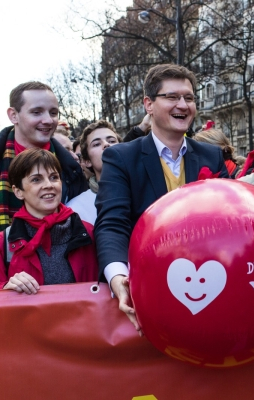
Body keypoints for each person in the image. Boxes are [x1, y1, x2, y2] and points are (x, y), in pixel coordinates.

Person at [95, 64, 228, 335]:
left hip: (209, 287)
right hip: (150, 290)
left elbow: (229, 222)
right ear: (149, 104)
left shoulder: (212, 156)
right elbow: (112, 223)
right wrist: (118, 276)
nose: (183, 104)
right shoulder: (120, 157)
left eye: (189, 98)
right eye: (172, 97)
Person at [0, 82, 86, 265]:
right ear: (13, 115)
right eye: (37, 112)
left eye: (53, 112)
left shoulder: (71, 168)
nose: (48, 120)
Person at [0, 149, 98, 292]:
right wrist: (5, 289)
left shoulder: (91, 233)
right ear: (18, 192)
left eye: (54, 177)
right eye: (36, 179)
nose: (48, 185)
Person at [67, 120, 121, 224]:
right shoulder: (76, 209)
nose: (106, 144)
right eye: (96, 144)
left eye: (112, 141)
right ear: (87, 161)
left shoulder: (144, 192)